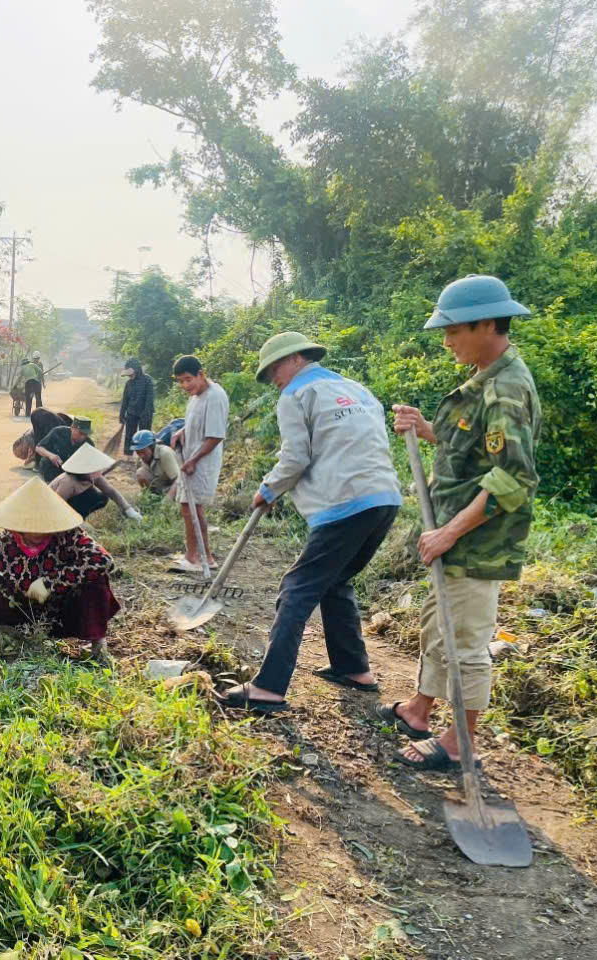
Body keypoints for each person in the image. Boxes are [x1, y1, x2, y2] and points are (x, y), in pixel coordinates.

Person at [378, 275, 541, 771]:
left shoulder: (506, 389)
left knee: (465, 640)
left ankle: (458, 743)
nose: (447, 341)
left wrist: (450, 532)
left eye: (453, 331)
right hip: (449, 534)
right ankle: (419, 710)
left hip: (475, 542)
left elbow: (513, 478)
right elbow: (468, 451)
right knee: (436, 625)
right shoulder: (483, 377)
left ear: (486, 324)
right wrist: (426, 429)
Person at [217, 332, 402, 713]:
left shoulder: (296, 394)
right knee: (336, 580)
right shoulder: (356, 390)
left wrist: (268, 489)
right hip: (384, 498)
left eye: (275, 370)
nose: (274, 380)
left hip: (345, 503)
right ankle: (354, 669)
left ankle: (268, 688)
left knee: (296, 588)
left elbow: (296, 458)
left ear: (297, 359)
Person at [0, 477, 120, 661]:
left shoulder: (68, 535)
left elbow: (103, 560)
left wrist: (51, 582)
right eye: (31, 525)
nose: (38, 531)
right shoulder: (1, 543)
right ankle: (5, 635)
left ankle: (96, 644)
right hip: (18, 613)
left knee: (96, 581)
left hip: (60, 614)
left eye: (43, 525)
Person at [170, 356, 229, 572]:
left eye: (188, 379)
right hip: (190, 459)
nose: (185, 385)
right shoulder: (196, 396)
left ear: (201, 374)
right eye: (180, 381)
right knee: (189, 508)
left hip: (202, 462)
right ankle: (200, 557)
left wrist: (193, 460)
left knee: (193, 508)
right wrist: (181, 431)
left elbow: (215, 436)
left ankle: (197, 558)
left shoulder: (215, 397)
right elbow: (196, 423)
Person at [49, 444, 142, 520]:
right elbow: (56, 506)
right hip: (55, 506)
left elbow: (111, 491)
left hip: (74, 501)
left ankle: (81, 517)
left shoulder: (92, 476)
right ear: (85, 470)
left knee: (101, 497)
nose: (99, 472)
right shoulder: (67, 482)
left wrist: (128, 509)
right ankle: (77, 520)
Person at [118, 358, 154, 455]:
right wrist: (122, 414)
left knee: (144, 437)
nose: (130, 376)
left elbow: (150, 399)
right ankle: (128, 455)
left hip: (145, 413)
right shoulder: (128, 383)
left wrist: (146, 414)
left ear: (137, 370)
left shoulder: (147, 380)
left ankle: (145, 457)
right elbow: (125, 401)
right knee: (129, 435)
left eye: (131, 374)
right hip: (131, 413)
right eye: (128, 375)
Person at [130, 429, 179, 498]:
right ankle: (152, 497)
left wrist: (167, 500)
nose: (141, 456)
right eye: (138, 452)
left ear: (152, 447)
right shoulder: (141, 459)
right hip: (161, 487)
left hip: (176, 488)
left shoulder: (165, 453)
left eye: (143, 452)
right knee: (140, 473)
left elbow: (178, 481)